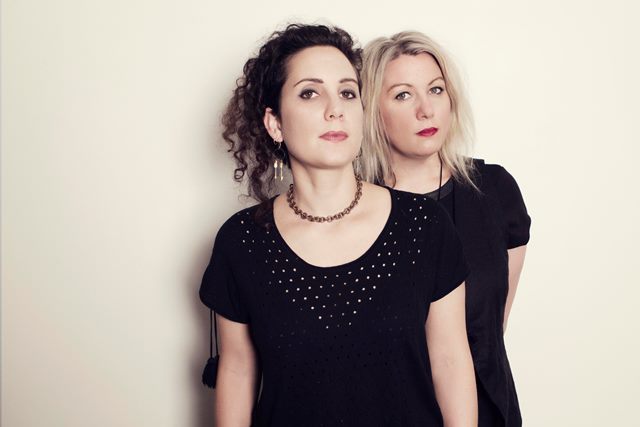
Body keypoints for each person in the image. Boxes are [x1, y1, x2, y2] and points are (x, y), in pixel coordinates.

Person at [199, 24, 477, 427]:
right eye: (310, 93)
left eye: (348, 92)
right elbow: (237, 370)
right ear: (275, 123)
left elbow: (450, 360)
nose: (335, 109)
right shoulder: (242, 241)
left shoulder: (424, 225)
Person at [360, 31, 531, 426]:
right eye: (403, 95)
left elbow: (490, 329)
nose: (426, 110)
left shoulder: (495, 191)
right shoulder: (354, 209)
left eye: (436, 90)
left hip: (487, 410)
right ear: (372, 111)